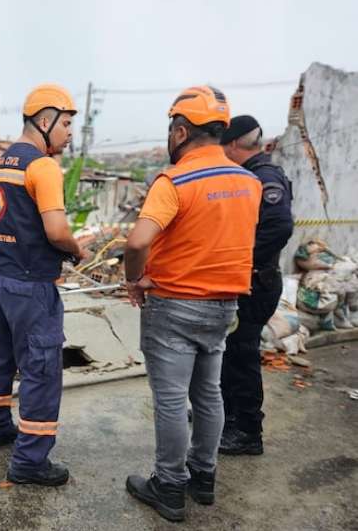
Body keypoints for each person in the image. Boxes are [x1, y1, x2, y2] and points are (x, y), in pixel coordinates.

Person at [123, 86, 262, 522]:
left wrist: (134, 280)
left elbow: (137, 240)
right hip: (224, 306)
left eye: (170, 130)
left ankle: (169, 485)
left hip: (174, 305)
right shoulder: (249, 181)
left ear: (181, 131)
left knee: (169, 400)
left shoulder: (175, 180)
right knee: (208, 394)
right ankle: (204, 477)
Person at [0, 83, 89, 487]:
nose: (68, 133)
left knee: (1, 359)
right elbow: (57, 230)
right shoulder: (42, 166)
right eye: (64, 123)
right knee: (41, 369)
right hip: (30, 286)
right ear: (44, 121)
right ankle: (29, 462)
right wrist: (76, 249)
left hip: (0, 279)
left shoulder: (2, 163)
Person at [219, 115, 294, 455]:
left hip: (255, 283)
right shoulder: (249, 175)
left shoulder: (265, 178)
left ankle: (248, 431)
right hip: (246, 281)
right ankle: (225, 417)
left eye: (223, 146)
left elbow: (278, 229)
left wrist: (240, 259)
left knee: (241, 357)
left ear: (234, 144)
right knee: (228, 354)